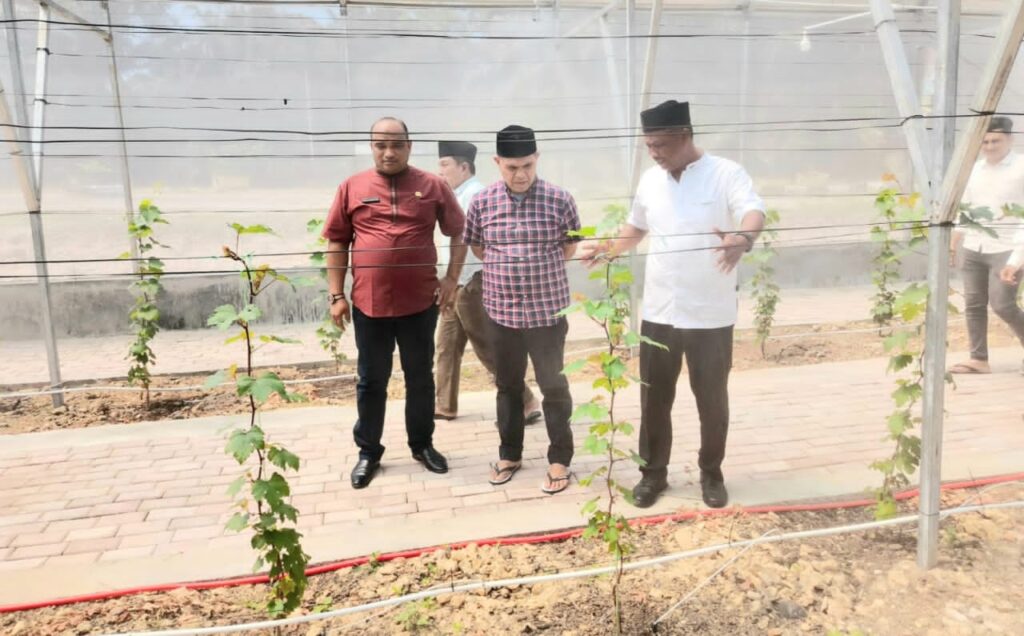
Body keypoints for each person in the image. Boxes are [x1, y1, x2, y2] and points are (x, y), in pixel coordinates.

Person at [580, 100, 765, 509]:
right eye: (648, 145)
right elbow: (636, 227)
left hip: (710, 313)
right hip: (660, 310)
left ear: (684, 136)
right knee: (654, 399)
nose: (654, 153)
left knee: (711, 399)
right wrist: (608, 249)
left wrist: (742, 239)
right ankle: (653, 475)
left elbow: (753, 211)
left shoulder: (726, 173)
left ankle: (711, 473)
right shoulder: (651, 181)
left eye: (660, 145)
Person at [322, 117, 467, 489]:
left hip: (419, 303)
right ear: (372, 147)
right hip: (369, 304)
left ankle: (422, 445)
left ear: (409, 146)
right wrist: (337, 295)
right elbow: (337, 241)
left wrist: (451, 279)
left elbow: (458, 232)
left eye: (397, 145)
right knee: (372, 381)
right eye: (381, 145)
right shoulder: (351, 187)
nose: (389, 152)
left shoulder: (433, 185)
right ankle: (368, 452)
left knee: (420, 378)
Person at [464, 125, 581, 494]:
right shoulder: (482, 202)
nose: (520, 174)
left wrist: (536, 272)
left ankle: (559, 459)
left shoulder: (560, 199)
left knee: (554, 385)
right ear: (497, 162)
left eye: (527, 165)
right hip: (501, 312)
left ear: (537, 159)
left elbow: (570, 246)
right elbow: (478, 247)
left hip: (547, 313)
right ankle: (509, 454)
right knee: (508, 386)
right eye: (512, 167)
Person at [433, 140, 542, 424]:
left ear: (464, 167)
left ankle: (526, 401)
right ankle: (444, 405)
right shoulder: (454, 195)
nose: (440, 171)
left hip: (473, 282)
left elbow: (474, 244)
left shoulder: (476, 195)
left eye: (445, 164)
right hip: (454, 283)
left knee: (486, 345)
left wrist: (460, 280)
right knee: (446, 345)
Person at [949, 116, 1024, 375]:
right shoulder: (974, 170)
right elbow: (966, 209)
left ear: (1009, 140)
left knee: (1003, 304)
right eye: (985, 141)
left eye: (996, 141)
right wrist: (955, 241)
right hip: (974, 246)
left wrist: (1017, 259)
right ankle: (978, 359)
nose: (990, 146)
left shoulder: (1021, 168)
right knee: (973, 303)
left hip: (1008, 247)